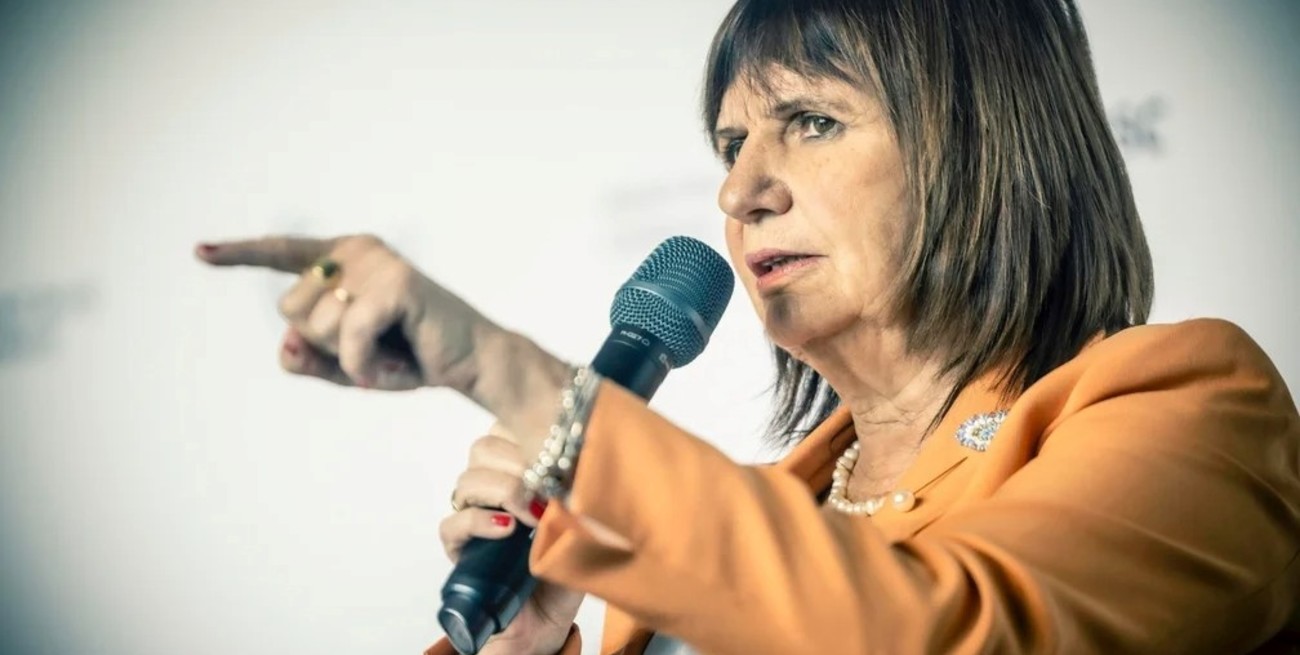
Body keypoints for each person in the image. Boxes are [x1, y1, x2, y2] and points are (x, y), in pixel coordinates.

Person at [196, 0, 1300, 653]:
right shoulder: (734, 528)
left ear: (983, 142)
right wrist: (529, 645)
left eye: (809, 122)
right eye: (731, 146)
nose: (739, 192)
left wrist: (522, 381)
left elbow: (948, 633)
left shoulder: (1186, 404)